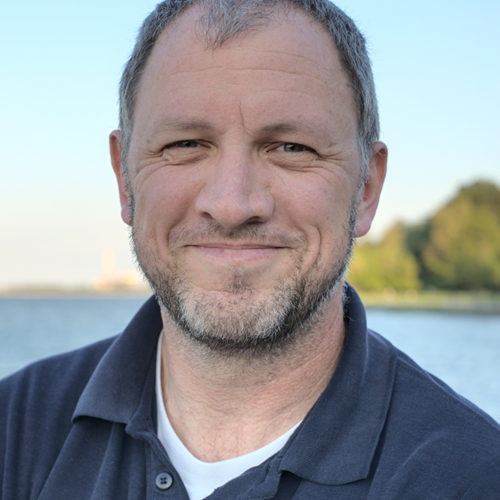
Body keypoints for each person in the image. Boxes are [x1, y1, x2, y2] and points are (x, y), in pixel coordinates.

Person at [1, 0, 500, 498]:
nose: (232, 205)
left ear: (366, 187)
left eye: (291, 148)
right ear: (124, 178)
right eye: (185, 145)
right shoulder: (13, 430)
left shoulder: (472, 479)